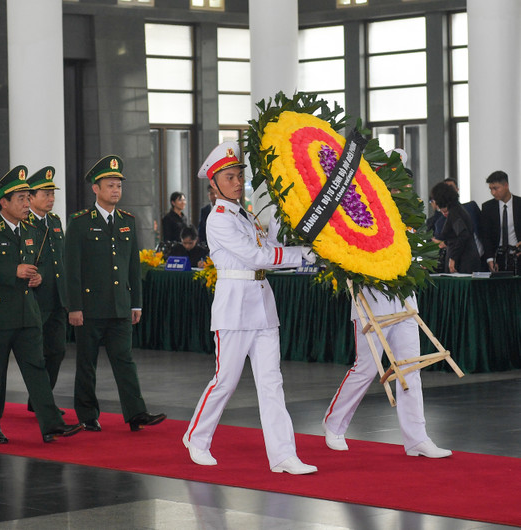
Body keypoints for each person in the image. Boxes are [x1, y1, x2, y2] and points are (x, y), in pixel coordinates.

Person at [182, 142, 317, 474]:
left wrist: (292, 233)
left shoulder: (245, 214)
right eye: (229, 177)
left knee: (272, 382)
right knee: (225, 381)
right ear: (213, 185)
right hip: (234, 307)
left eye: (239, 176)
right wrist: (300, 255)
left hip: (261, 305)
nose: (237, 183)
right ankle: (197, 438)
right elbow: (257, 257)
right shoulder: (219, 220)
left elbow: (269, 248)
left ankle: (283, 455)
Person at [0, 165, 82, 444]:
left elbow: (32, 266)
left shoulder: (32, 229)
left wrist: (36, 276)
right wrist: (13, 272)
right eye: (20, 198)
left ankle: (51, 424)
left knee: (36, 369)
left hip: (27, 311)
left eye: (26, 197)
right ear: (3, 203)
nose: (25, 203)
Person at [65, 155, 166, 433]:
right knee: (87, 364)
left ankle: (136, 413)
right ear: (95, 189)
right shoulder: (80, 222)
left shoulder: (127, 221)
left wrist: (136, 303)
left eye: (118, 186)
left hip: (120, 307)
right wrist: (74, 306)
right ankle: (87, 414)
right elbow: (71, 269)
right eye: (110, 185)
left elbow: (134, 266)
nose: (115, 191)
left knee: (125, 362)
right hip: (89, 307)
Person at [323, 288, 452, 459]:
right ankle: (334, 423)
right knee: (366, 369)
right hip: (370, 302)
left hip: (404, 301)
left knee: (410, 369)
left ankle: (417, 439)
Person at [26, 166, 68, 411]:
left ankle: (40, 398)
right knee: (36, 354)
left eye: (53, 194)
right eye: (46, 194)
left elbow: (59, 259)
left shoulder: (54, 221)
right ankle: (42, 401)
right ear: (30, 197)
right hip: (35, 300)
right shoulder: (24, 223)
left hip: (57, 298)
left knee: (57, 351)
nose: (51, 199)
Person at [430, 182, 480, 273]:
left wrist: (453, 259)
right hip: (464, 256)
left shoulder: (455, 213)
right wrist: (445, 243)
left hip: (463, 259)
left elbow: (463, 235)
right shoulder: (457, 209)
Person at [480, 170, 521, 273]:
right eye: (490, 189)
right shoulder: (487, 207)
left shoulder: (519, 204)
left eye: (496, 188)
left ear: (506, 185)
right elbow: (486, 236)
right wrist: (489, 259)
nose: (493, 193)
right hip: (498, 256)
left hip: (518, 254)